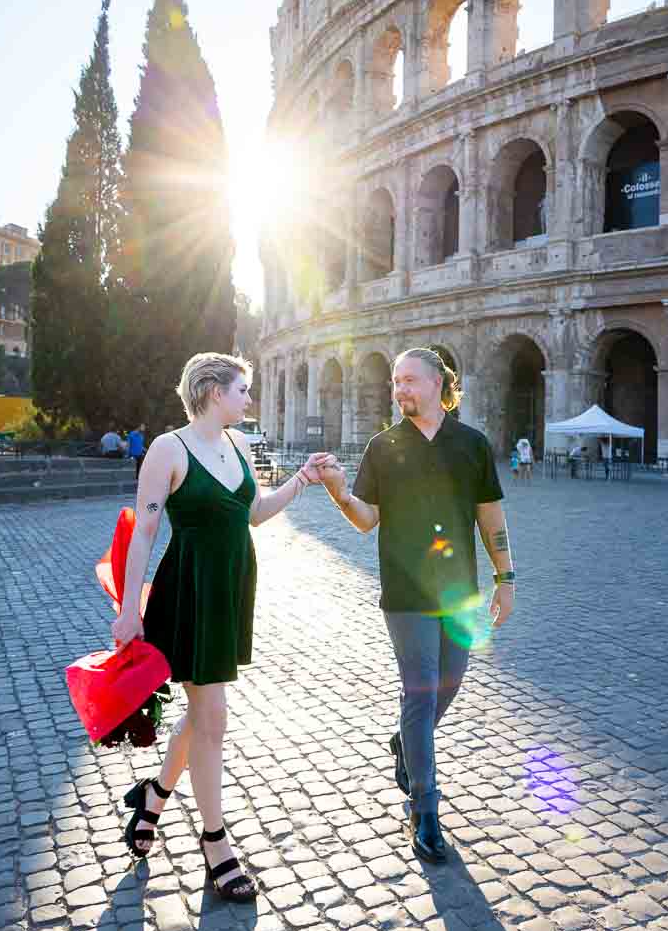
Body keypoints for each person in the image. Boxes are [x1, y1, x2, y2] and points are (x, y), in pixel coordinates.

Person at [111, 353, 329, 901]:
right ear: (212, 391)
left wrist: (303, 479)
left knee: (203, 714)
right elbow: (144, 532)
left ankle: (153, 799)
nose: (249, 400)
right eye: (243, 390)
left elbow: (254, 512)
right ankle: (215, 844)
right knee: (213, 719)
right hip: (189, 593)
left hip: (230, 592)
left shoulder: (238, 447)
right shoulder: (169, 449)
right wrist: (129, 608)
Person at [316, 348, 515, 865]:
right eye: (394, 382)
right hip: (404, 594)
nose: (398, 389)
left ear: (436, 384)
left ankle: (407, 742)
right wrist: (339, 492)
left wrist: (506, 577)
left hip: (459, 592)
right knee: (422, 692)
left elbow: (490, 517)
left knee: (451, 681)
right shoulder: (383, 447)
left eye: (408, 381)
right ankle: (425, 809)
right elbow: (365, 520)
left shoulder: (472, 444)